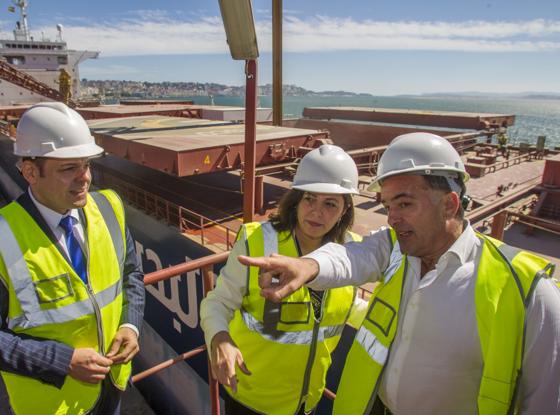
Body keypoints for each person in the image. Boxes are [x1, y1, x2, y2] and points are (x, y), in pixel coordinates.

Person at [239, 132, 560, 414]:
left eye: (404, 204)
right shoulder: (397, 248)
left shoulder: (531, 294)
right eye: (387, 205)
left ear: (449, 204)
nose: (391, 219)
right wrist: (306, 265)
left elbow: (544, 404)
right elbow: (352, 256)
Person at [0, 102, 146, 415]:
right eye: (69, 168)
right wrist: (63, 361)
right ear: (30, 172)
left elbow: (131, 277)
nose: (84, 178)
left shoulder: (110, 208)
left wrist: (130, 326)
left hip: (112, 386)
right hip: (51, 404)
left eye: (86, 164)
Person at [200, 144, 368, 415]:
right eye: (309, 199)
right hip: (252, 400)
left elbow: (347, 306)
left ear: (344, 210)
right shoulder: (257, 242)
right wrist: (220, 339)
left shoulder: (352, 252)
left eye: (330, 204)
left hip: (307, 401)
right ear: (296, 200)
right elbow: (217, 302)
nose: (316, 212)